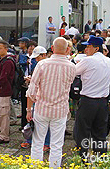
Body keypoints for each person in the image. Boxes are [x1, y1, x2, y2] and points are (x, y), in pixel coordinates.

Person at [26, 38, 75, 168]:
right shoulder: (71, 67)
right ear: (67, 49)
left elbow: (31, 91)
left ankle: (36, 166)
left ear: (52, 48)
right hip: (60, 110)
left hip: (42, 108)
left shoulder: (42, 65)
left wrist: (29, 110)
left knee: (37, 143)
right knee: (57, 145)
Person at [74, 36, 110, 157]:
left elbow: (73, 72)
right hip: (102, 102)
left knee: (82, 132)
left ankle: (82, 159)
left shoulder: (88, 60)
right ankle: (101, 158)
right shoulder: (109, 61)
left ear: (96, 48)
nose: (86, 49)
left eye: (88, 47)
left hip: (88, 101)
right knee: (100, 134)